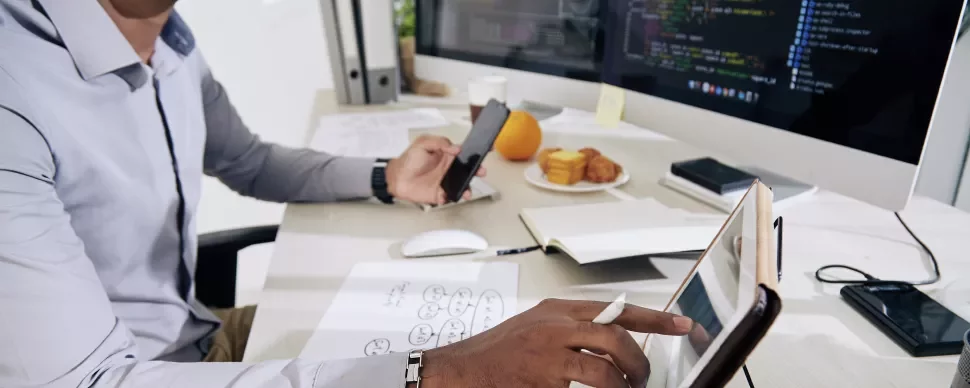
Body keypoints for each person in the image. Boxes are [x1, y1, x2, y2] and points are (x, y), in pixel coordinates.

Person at [0, 1, 694, 387]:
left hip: (199, 334)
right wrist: (441, 375)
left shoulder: (170, 40)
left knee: (501, 326)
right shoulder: (15, 92)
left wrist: (384, 178)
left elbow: (246, 159)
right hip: (150, 373)